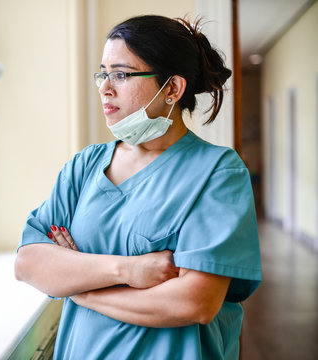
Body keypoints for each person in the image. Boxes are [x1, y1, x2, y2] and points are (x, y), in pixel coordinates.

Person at [15, 15, 262, 360]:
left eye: (121, 74)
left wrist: (77, 286)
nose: (105, 87)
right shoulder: (84, 167)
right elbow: (28, 262)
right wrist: (128, 270)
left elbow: (195, 301)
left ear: (173, 89)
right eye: (102, 73)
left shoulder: (217, 172)